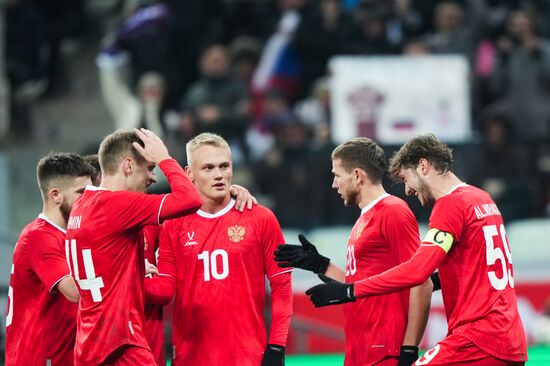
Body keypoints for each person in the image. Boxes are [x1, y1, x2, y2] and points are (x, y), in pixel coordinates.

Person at [305, 134, 528, 365]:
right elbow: (474, 265)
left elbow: (416, 270)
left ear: (423, 166)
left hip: (477, 339)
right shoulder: (482, 199)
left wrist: (350, 291)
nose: (408, 190)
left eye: (405, 178)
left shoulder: (450, 205)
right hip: (509, 338)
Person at [275, 137, 432, 366]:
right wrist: (321, 265)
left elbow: (421, 281)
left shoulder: (393, 212)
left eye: (337, 175)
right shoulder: (364, 218)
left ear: (357, 175)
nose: (333, 184)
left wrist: (408, 350)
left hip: (385, 350)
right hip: (361, 347)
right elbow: (362, 285)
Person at [145, 132, 293, 366]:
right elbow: (165, 290)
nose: (219, 175)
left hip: (248, 357)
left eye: (224, 166)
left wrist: (277, 346)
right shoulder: (172, 224)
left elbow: (282, 287)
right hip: (191, 357)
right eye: (208, 168)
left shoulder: (261, 218)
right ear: (189, 173)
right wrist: (131, 274)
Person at [65, 128, 203, 365]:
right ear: (128, 166)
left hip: (90, 342)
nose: (153, 177)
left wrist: (135, 269)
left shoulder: (82, 205)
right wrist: (164, 158)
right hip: (121, 342)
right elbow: (191, 199)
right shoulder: (117, 205)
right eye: (149, 168)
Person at [6, 152, 93, 365]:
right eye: (81, 192)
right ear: (56, 195)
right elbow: (73, 291)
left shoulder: (73, 234)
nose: (89, 199)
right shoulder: (38, 236)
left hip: (61, 356)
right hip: (36, 358)